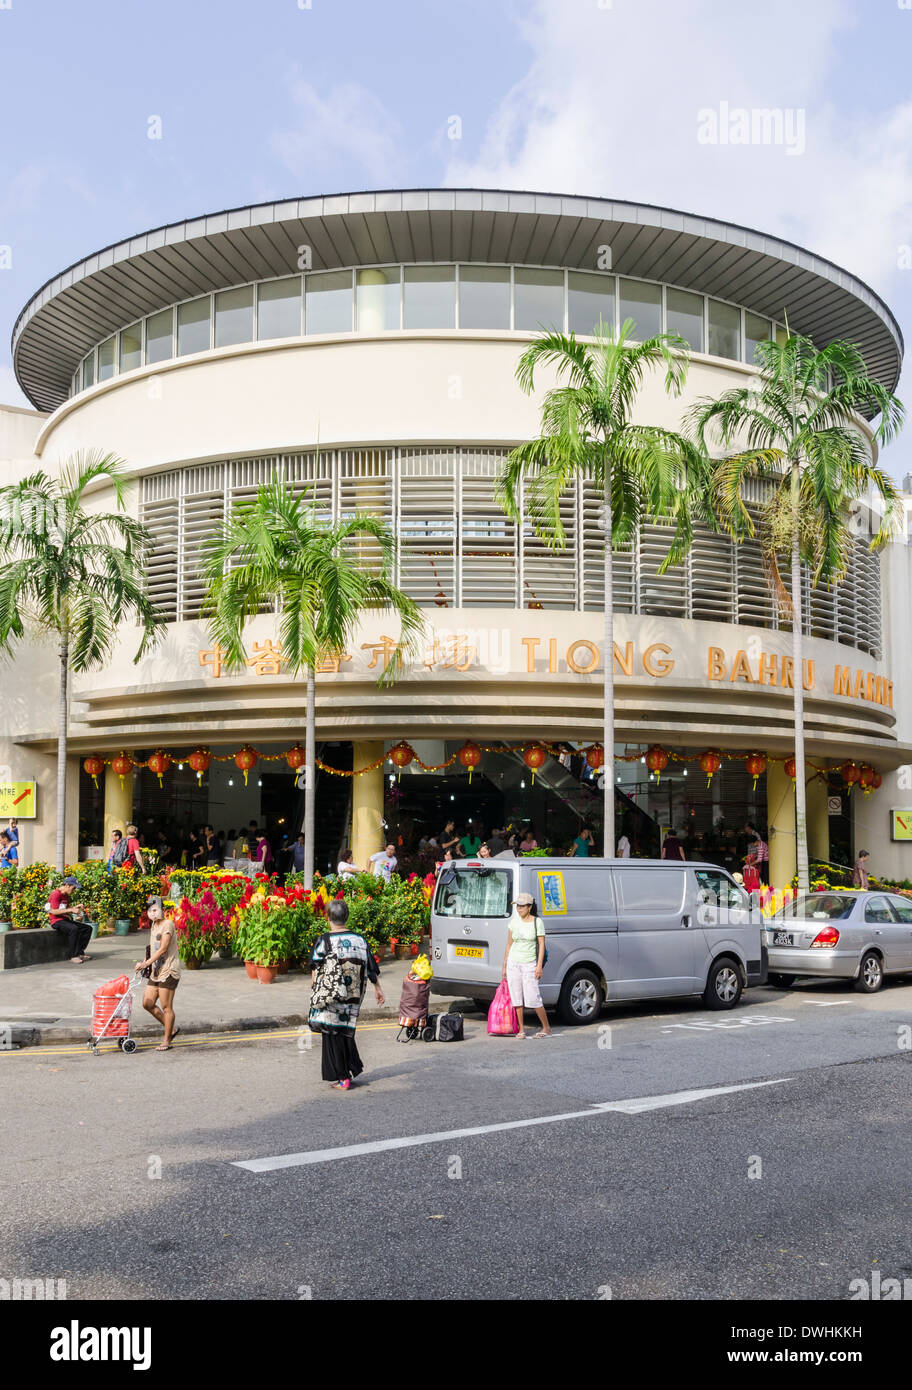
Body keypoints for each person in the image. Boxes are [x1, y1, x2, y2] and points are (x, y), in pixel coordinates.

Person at [309, 898, 384, 1089]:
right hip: (354, 996)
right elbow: (370, 967)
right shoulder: (360, 940)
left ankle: (343, 1077)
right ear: (347, 918)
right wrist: (378, 989)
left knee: (333, 1033)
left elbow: (315, 966)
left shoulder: (325, 940)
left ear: (328, 918)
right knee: (346, 1031)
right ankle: (352, 1067)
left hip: (332, 995)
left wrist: (315, 988)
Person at [500, 891, 552, 1038]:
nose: (519, 909)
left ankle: (546, 1027)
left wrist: (539, 966)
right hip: (513, 963)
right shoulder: (514, 923)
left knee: (533, 997)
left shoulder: (537, 922)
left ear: (529, 907)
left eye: (522, 906)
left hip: (530, 964)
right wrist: (504, 965)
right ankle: (521, 1029)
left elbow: (541, 945)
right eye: (518, 906)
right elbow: (509, 944)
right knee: (516, 997)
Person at [137, 895, 181, 1051]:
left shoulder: (167, 925)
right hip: (155, 971)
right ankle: (172, 1028)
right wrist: (143, 962)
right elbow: (152, 948)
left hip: (168, 970)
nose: (152, 914)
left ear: (162, 910)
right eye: (150, 911)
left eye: (155, 910)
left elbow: (163, 948)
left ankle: (167, 1039)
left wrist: (146, 963)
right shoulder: (154, 925)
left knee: (166, 1006)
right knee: (147, 1003)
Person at [49, 876, 92, 963]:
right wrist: (71, 910)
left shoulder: (66, 895)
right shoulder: (56, 894)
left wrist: (75, 908)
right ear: (67, 885)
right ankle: (73, 955)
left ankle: (80, 953)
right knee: (74, 929)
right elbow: (53, 911)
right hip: (56, 921)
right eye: (73, 888)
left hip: (64, 920)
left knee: (87, 928)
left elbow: (64, 909)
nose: (74, 891)